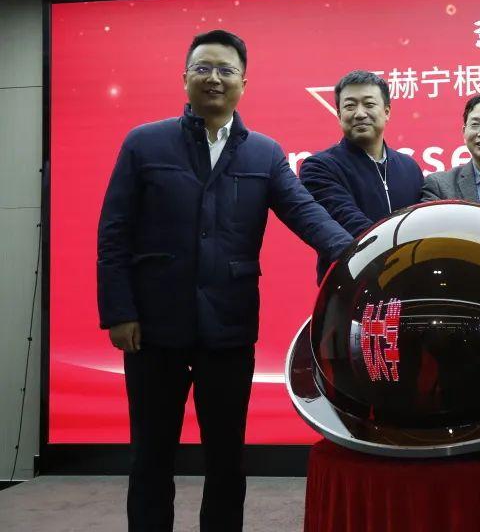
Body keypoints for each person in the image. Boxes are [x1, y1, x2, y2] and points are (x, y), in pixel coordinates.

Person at [97, 30, 354, 532]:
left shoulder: (264, 152)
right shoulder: (144, 143)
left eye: (225, 70)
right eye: (203, 68)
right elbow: (114, 233)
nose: (214, 78)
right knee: (151, 456)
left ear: (243, 83)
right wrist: (119, 312)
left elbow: (307, 214)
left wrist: (359, 254)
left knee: (226, 458)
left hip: (228, 328)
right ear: (185, 78)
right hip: (153, 328)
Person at [299, 70, 424, 281]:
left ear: (386, 111)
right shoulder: (319, 167)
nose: (359, 113)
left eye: (369, 104)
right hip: (351, 285)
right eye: (350, 106)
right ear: (339, 115)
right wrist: (399, 256)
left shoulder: (409, 167)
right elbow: (348, 221)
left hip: (408, 284)